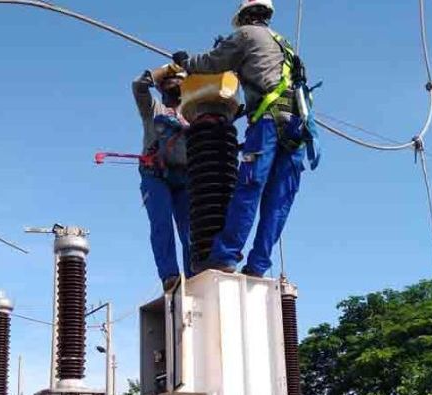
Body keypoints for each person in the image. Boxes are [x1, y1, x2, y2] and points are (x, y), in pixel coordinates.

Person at [171, 0, 319, 277]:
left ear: (244, 17)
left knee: (249, 188)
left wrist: (185, 62)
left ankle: (225, 256)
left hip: (267, 125)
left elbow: (212, 62)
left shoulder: (246, 35)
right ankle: (258, 266)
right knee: (278, 201)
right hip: (297, 129)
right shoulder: (284, 45)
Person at [134, 66, 192, 291]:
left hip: (184, 177)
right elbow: (138, 86)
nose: (174, 85)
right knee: (162, 223)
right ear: (160, 87)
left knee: (190, 231)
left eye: (178, 82)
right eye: (168, 82)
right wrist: (167, 69)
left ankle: (193, 274)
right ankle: (169, 275)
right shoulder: (153, 108)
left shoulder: (193, 111)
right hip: (155, 175)